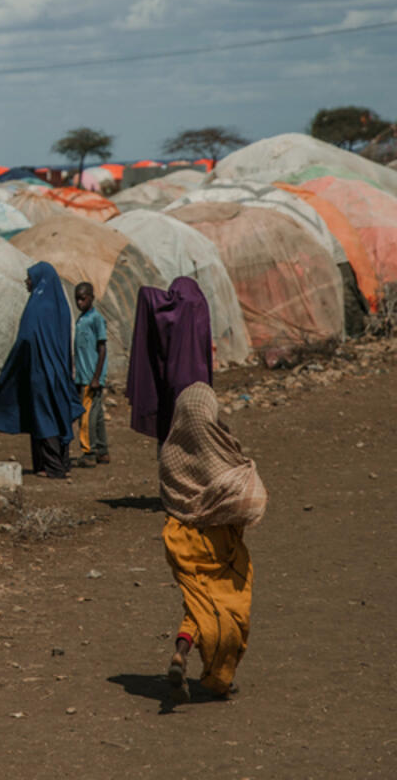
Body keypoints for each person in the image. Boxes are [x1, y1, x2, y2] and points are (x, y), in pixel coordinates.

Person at [159, 382, 266, 702]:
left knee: (199, 602)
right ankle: (220, 677)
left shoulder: (169, 451)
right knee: (231, 606)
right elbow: (244, 489)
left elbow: (169, 496)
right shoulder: (221, 447)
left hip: (180, 538)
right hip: (217, 541)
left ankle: (181, 653)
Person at [0, 262, 84, 479]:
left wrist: (16, 363)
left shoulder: (37, 306)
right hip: (59, 371)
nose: (26, 282)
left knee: (44, 417)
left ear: (39, 279)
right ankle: (56, 464)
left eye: (29, 278)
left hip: (40, 371)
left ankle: (53, 467)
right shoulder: (59, 305)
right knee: (57, 413)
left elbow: (26, 338)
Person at [126, 277, 213, 444]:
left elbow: (152, 300)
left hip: (175, 379)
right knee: (199, 432)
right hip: (201, 383)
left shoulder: (176, 309)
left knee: (173, 432)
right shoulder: (199, 305)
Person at [71, 281, 109, 467]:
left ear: (91, 298)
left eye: (83, 298)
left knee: (86, 416)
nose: (79, 302)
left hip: (90, 378)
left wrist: (96, 377)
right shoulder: (81, 318)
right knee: (98, 414)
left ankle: (88, 451)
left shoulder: (96, 319)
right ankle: (102, 451)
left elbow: (102, 349)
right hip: (84, 376)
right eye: (77, 298)